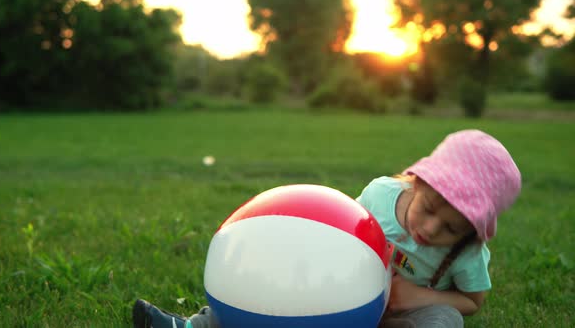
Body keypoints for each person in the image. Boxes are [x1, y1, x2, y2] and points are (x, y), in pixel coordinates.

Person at [133, 129, 521, 328]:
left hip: (395, 317)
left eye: (451, 228)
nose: (431, 228)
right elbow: (338, 238)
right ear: (417, 182)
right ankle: (190, 325)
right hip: (337, 297)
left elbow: (472, 303)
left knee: (445, 321)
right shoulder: (380, 196)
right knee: (263, 297)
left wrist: (417, 296)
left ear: (470, 233)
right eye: (429, 208)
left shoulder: (467, 253)